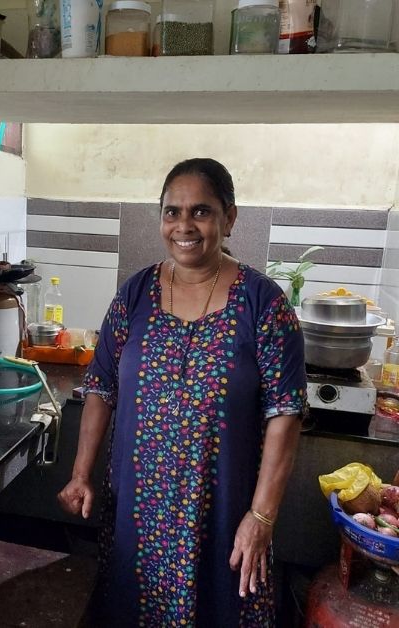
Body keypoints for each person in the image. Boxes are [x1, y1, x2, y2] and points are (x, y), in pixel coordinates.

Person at [56, 158, 306, 626]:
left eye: (201, 211)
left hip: (225, 514)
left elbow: (285, 415)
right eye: (172, 212)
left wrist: (262, 518)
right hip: (137, 513)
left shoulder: (264, 304)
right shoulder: (134, 295)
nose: (184, 226)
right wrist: (81, 472)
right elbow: (100, 387)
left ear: (229, 218)